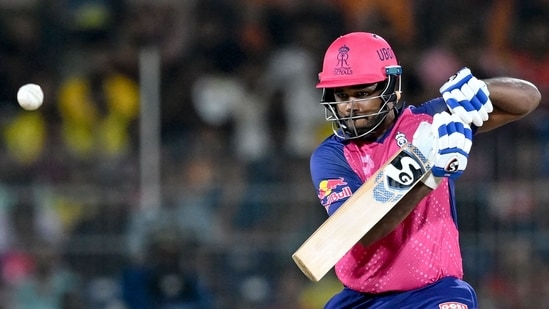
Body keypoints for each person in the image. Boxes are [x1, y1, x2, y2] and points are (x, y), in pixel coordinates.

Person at [309, 32, 541, 308]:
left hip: (435, 292)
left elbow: (529, 98)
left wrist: (480, 88)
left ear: (391, 87)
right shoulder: (331, 156)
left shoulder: (431, 120)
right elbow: (362, 232)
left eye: (362, 93)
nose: (350, 107)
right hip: (362, 299)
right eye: (341, 95)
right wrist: (429, 171)